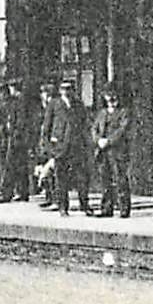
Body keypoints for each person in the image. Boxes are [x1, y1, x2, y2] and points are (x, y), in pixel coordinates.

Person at [91, 84, 132, 218]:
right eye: (108, 99)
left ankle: (124, 208)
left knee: (120, 178)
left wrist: (109, 140)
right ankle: (106, 208)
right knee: (105, 179)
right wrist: (98, 140)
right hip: (103, 151)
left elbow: (122, 130)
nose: (111, 102)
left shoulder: (123, 112)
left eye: (113, 99)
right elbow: (94, 129)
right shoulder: (102, 114)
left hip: (117, 150)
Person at [0, 79, 32, 203]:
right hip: (19, 137)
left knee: (10, 165)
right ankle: (22, 192)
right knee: (20, 165)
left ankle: (6, 192)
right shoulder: (19, 101)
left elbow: (19, 121)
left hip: (16, 137)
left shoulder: (19, 102)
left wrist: (13, 132)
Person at [57, 80, 94, 216]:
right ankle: (63, 207)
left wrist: (87, 144)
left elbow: (85, 124)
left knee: (82, 177)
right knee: (61, 179)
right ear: (60, 91)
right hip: (61, 147)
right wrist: (51, 148)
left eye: (69, 89)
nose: (67, 92)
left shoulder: (79, 105)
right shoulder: (55, 104)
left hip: (77, 147)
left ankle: (84, 205)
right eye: (64, 89)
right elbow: (48, 127)